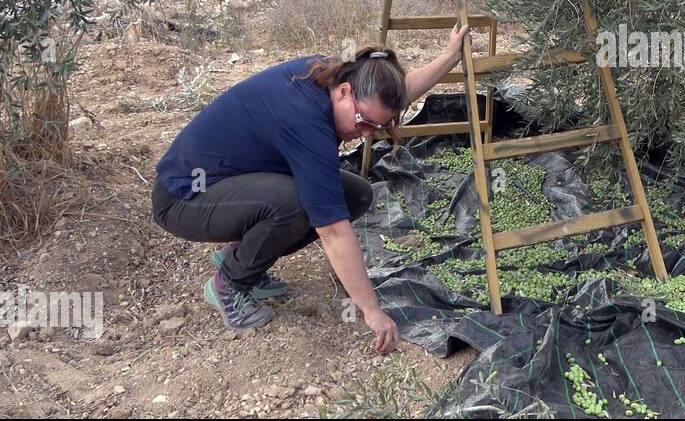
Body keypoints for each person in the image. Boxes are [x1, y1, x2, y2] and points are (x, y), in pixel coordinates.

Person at [151, 26, 471, 353]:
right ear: (345, 92)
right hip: (184, 197)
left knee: (355, 195)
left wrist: (448, 57)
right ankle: (230, 282)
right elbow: (332, 229)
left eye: (374, 128)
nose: (364, 134)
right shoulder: (306, 118)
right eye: (362, 123)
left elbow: (395, 93)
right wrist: (372, 311)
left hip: (230, 183)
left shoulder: (342, 76)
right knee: (297, 204)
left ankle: (241, 258)